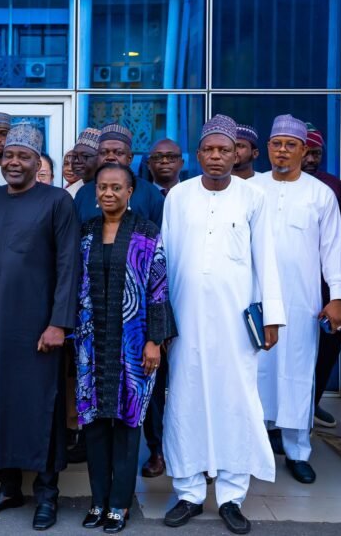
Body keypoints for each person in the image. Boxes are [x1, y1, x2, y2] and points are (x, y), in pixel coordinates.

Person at [160, 115, 285, 535]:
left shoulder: (253, 197)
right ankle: (190, 492)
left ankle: (232, 496)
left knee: (237, 401)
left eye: (224, 150)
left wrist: (272, 317)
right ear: (197, 156)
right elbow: (163, 260)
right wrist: (160, 320)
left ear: (237, 154)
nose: (216, 157)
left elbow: (266, 257)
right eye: (209, 150)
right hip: (185, 320)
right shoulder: (177, 197)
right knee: (185, 398)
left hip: (236, 322)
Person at [0, 124, 80, 531]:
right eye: (10, 156)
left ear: (38, 163)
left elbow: (69, 265)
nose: (14, 162)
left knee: (42, 407)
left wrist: (59, 323)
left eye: (24, 157)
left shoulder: (56, 202)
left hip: (40, 326)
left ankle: (47, 494)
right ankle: (8, 486)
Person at [76, 163, 177, 532]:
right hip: (92, 347)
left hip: (134, 346)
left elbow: (159, 289)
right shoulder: (85, 232)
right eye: (102, 187)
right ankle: (97, 501)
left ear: (131, 191)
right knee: (95, 424)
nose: (108, 194)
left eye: (116, 188)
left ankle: (119, 504)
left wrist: (154, 340)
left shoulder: (148, 233)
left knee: (127, 423)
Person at [253, 116, 341, 485]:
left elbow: (332, 252)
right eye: (276, 143)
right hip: (257, 300)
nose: (282, 150)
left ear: (304, 150)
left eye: (290, 145)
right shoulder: (252, 188)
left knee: (297, 374)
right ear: (268, 149)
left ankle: (297, 452)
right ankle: (254, 449)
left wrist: (338, 296)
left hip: (301, 302)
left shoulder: (319, 194)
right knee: (256, 373)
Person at [302, 124, 341, 429]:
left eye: (316, 153)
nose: (310, 158)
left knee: (331, 338)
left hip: (325, 283)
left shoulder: (331, 186)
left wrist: (329, 238)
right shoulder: (268, 185)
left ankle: (312, 401)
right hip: (288, 283)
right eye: (306, 151)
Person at [139, 138, 182, 478]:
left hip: (191, 302)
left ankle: (191, 450)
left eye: (171, 157)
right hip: (150, 305)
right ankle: (157, 451)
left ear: (182, 162)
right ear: (149, 162)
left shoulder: (195, 195)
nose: (165, 162)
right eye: (158, 157)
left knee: (188, 382)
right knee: (153, 386)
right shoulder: (142, 197)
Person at [74, 124, 164, 227]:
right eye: (104, 152)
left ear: (130, 158)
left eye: (118, 153)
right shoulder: (83, 193)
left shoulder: (150, 193)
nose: (110, 157)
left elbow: (157, 237)